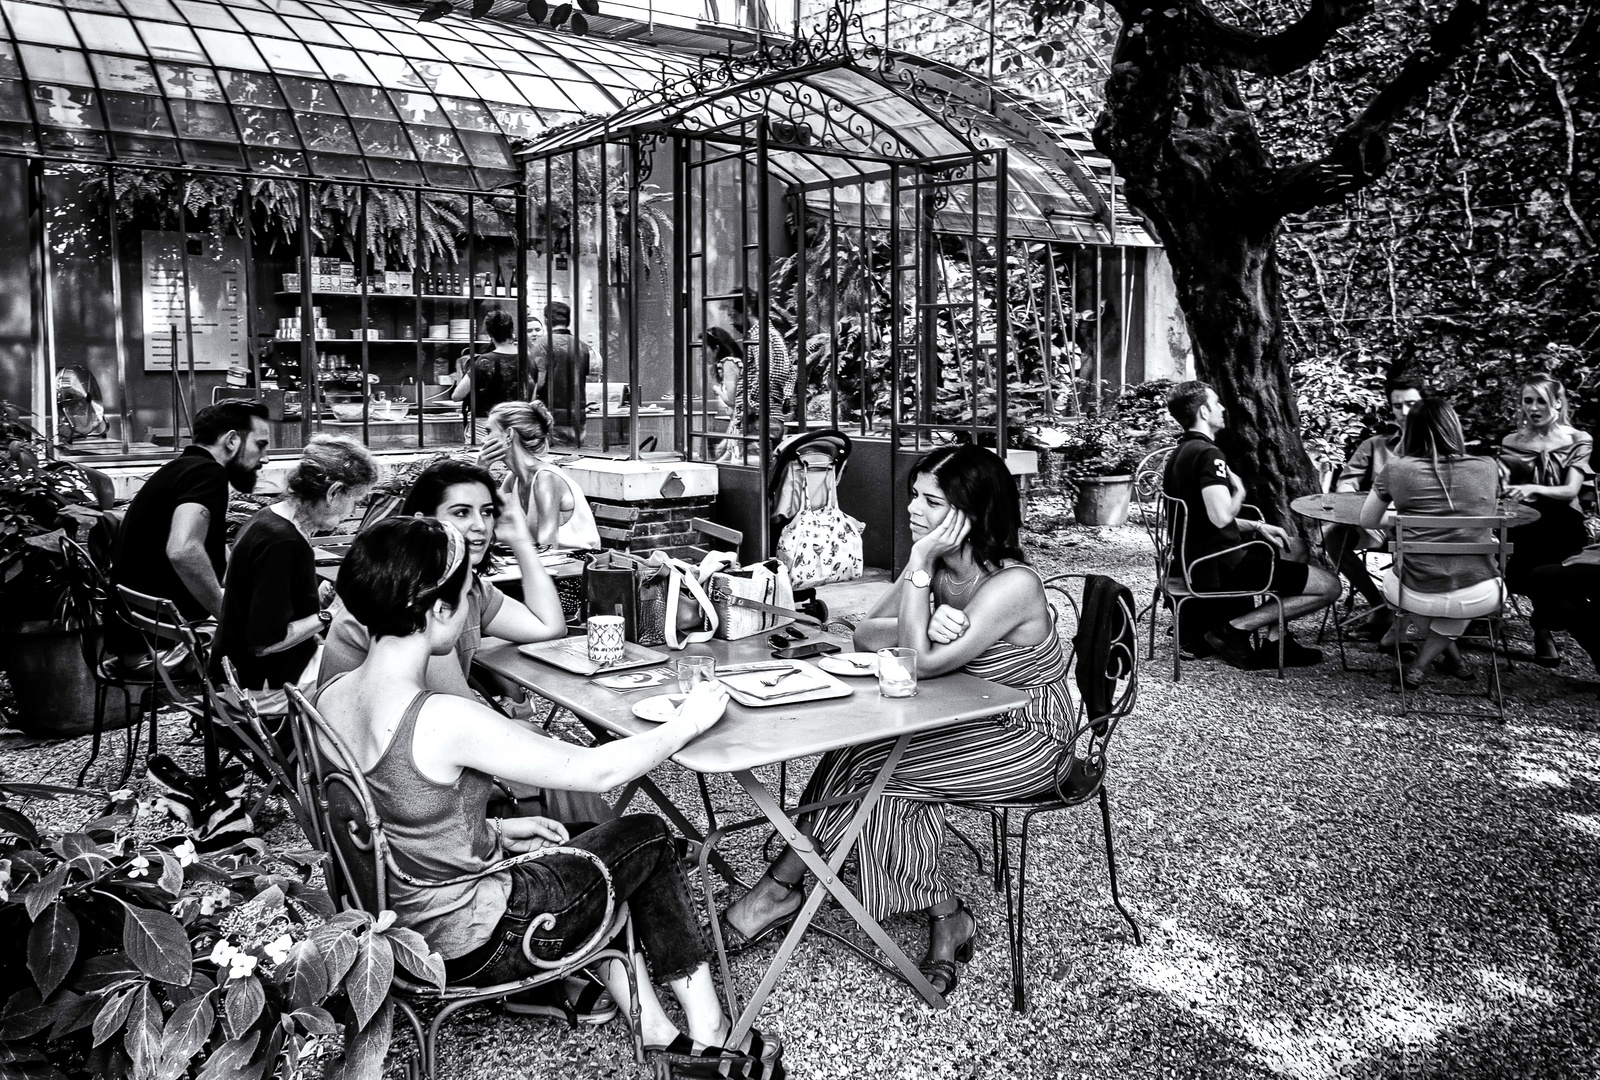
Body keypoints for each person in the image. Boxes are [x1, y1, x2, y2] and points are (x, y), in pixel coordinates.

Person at [315, 518, 783, 1076]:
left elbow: (391, 812)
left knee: (591, 838)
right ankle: (710, 1032)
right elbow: (597, 771)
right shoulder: (441, 718)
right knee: (648, 836)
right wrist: (686, 723)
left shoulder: (334, 695)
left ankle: (655, 1025)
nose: (470, 608)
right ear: (438, 610)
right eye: (466, 595)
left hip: (393, 925)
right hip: (476, 942)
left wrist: (491, 832)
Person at [724, 445, 1068, 998]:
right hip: (957, 713)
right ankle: (804, 889)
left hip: (1026, 734)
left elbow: (918, 662)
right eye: (915, 495)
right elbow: (866, 635)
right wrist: (927, 607)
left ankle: (801, 892)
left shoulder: (1012, 585)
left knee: (878, 775)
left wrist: (921, 583)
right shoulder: (931, 568)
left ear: (971, 516)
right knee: (856, 753)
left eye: (931, 502)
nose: (912, 509)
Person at [319, 459, 567, 700]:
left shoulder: (466, 588)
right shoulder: (410, 597)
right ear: (423, 521)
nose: (481, 525)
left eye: (487, 512)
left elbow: (549, 627)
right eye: (462, 512)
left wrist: (520, 540)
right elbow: (461, 708)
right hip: (363, 737)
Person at [1160, 381, 1341, 669]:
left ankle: (1276, 641)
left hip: (1192, 558)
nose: (1222, 408)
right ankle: (1232, 629)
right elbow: (1220, 517)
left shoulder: (1181, 451)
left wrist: (1258, 527)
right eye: (1217, 403)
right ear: (1204, 411)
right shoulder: (1209, 455)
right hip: (1218, 566)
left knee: (1295, 546)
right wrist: (1240, 491)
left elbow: (1203, 518)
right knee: (1330, 587)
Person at [215, 436, 375, 706]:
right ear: (333, 492)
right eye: (356, 499)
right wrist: (329, 613)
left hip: (234, 672)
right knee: (378, 676)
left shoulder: (269, 518)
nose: (353, 510)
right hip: (260, 687)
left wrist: (314, 598)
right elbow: (265, 643)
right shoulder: (284, 543)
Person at [108, 399, 272, 659]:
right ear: (232, 440)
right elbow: (183, 550)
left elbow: (211, 550)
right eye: (260, 445)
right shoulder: (208, 474)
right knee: (281, 647)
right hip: (163, 650)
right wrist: (228, 616)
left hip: (134, 639)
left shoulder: (181, 469)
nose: (265, 458)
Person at [1359, 399, 1502, 690]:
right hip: (1482, 592)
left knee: (1403, 589)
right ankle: (1444, 659)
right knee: (1452, 611)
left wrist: (1407, 520)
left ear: (1411, 430)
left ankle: (1421, 663)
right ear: (1454, 427)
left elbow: (1368, 520)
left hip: (1417, 593)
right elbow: (1480, 512)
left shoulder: (1397, 468)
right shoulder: (1488, 466)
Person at [1497, 373, 1593, 666]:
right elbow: (1505, 487)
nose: (1534, 407)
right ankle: (1542, 626)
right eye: (1528, 400)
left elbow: (1570, 491)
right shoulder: (1512, 441)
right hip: (1523, 518)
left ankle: (1542, 627)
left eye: (1542, 400)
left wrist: (1532, 487)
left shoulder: (1578, 438)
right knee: (1521, 555)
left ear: (1558, 402)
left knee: (1544, 557)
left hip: (1562, 519)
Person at [1326, 379, 1425, 639]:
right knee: (1333, 536)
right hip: (1381, 523)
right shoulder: (1375, 445)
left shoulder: (1440, 448)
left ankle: (1438, 617)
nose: (1404, 413)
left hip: (1425, 528)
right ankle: (1379, 606)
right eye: (1398, 406)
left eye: (1412, 405)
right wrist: (1350, 497)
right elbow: (1347, 483)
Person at [483, 400, 601, 551]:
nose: (483, 440)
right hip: (550, 563)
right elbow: (485, 521)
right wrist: (482, 469)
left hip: (577, 566)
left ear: (509, 435)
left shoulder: (546, 479)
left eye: (488, 432)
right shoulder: (513, 479)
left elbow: (548, 547)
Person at [708, 288, 794, 464]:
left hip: (757, 422)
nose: (731, 321)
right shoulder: (769, 335)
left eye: (733, 315)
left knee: (751, 478)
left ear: (746, 310)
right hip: (768, 418)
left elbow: (767, 372)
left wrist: (751, 404)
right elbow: (790, 373)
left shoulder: (760, 336)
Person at [529, 301, 591, 450]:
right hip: (578, 416)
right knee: (575, 461)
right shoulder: (582, 346)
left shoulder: (542, 344)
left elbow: (540, 382)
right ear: (568, 320)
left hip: (551, 416)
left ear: (546, 320)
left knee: (555, 460)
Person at [451, 309, 522, 437]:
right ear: (512, 330)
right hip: (516, 426)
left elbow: (457, 396)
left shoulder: (484, 362)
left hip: (485, 428)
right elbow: (531, 398)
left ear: (489, 334)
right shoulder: (527, 361)